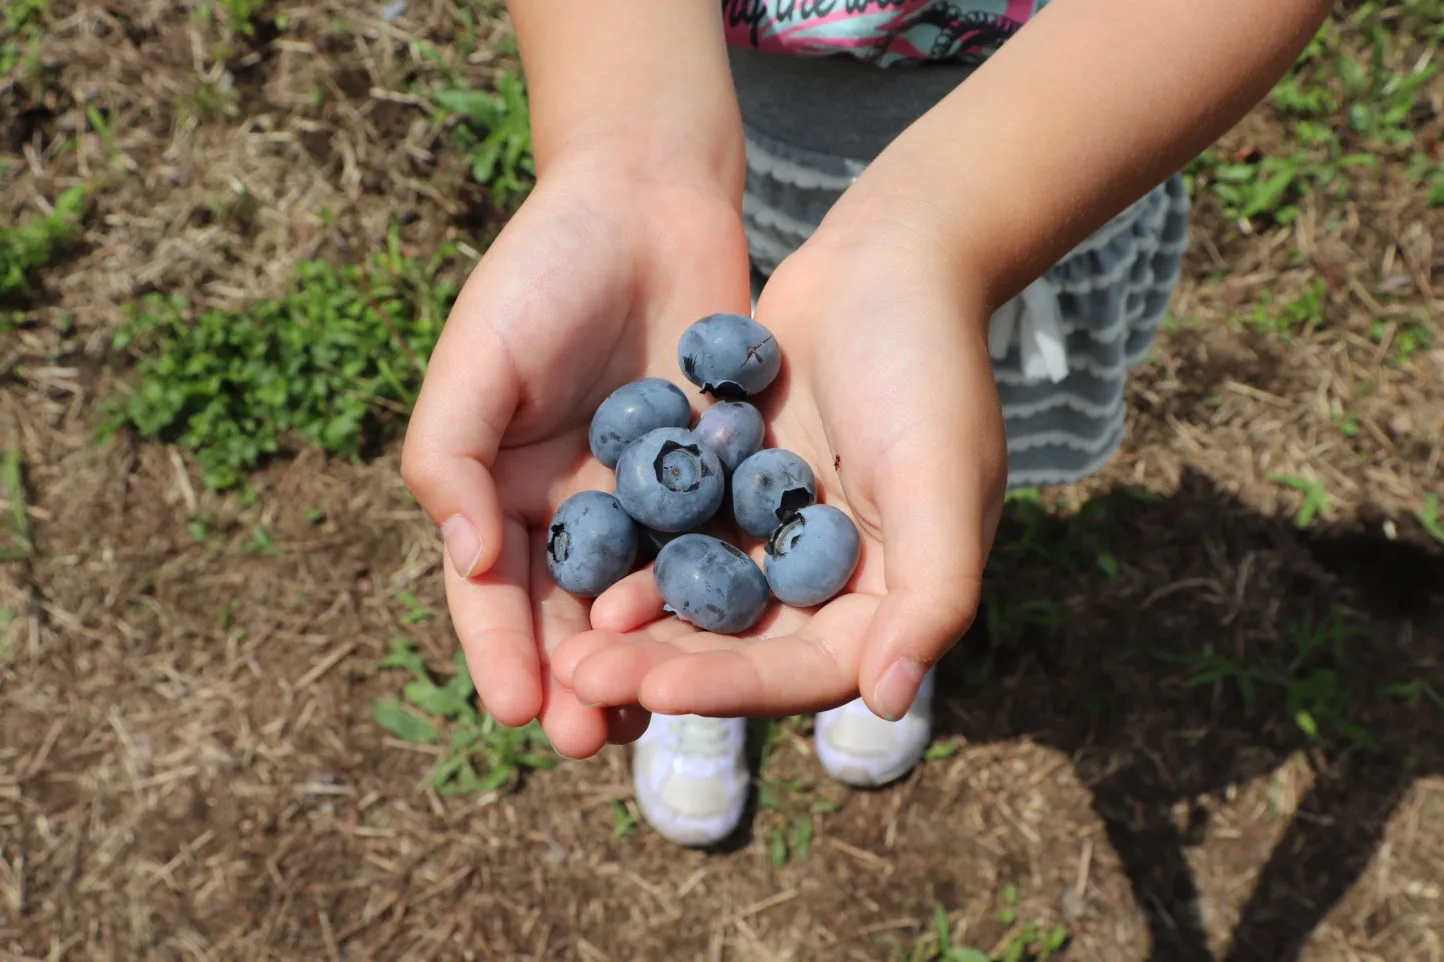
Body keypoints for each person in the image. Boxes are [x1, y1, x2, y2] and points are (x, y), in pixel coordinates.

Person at [400, 0, 1335, 847]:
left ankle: (871, 599)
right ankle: (706, 619)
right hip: (734, 118)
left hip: (1049, 156)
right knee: (850, 486)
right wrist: (627, 160)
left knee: (931, 461)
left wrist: (939, 239)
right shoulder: (690, 418)